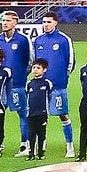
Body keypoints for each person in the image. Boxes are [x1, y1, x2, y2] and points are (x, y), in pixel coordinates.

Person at [33, 12, 77, 158]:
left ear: (56, 23)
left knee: (63, 115)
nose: (46, 25)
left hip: (58, 86)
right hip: (40, 86)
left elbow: (70, 62)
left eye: (49, 22)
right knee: (40, 116)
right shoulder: (38, 40)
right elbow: (35, 61)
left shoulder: (64, 40)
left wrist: (63, 77)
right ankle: (41, 146)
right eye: (44, 22)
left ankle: (69, 146)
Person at [0, 11, 34, 155]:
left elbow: (30, 61)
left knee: (23, 114)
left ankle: (24, 144)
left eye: (8, 20)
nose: (5, 23)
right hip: (1, 86)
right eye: (3, 20)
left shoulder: (23, 40)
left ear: (15, 23)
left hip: (18, 84)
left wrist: (21, 75)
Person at [23, 61, 51, 160]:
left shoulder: (47, 83)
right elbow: (27, 97)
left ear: (44, 70)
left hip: (42, 113)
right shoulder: (29, 83)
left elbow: (50, 96)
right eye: (34, 67)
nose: (35, 69)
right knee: (31, 134)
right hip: (31, 113)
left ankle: (41, 153)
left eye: (38, 68)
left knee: (41, 133)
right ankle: (31, 153)